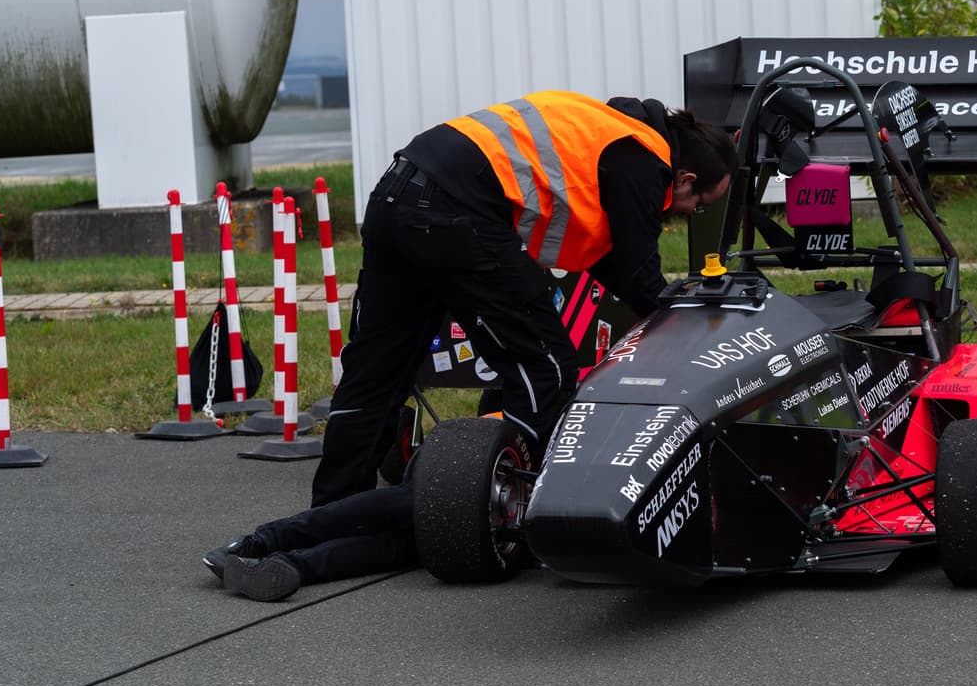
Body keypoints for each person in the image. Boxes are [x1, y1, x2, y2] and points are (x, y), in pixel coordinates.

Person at [313, 92, 735, 506]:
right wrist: (688, 318)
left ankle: (334, 510)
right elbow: (640, 277)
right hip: (456, 209)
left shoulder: (611, 130)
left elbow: (615, 262)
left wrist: (661, 299)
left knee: (375, 368)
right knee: (545, 366)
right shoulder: (645, 159)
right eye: (698, 205)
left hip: (397, 189)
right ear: (686, 179)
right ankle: (525, 507)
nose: (688, 211)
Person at [204, 481, 417, 602]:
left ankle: (283, 567)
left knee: (399, 546)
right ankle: (259, 542)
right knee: (405, 503)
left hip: (444, 534)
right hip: (440, 474)